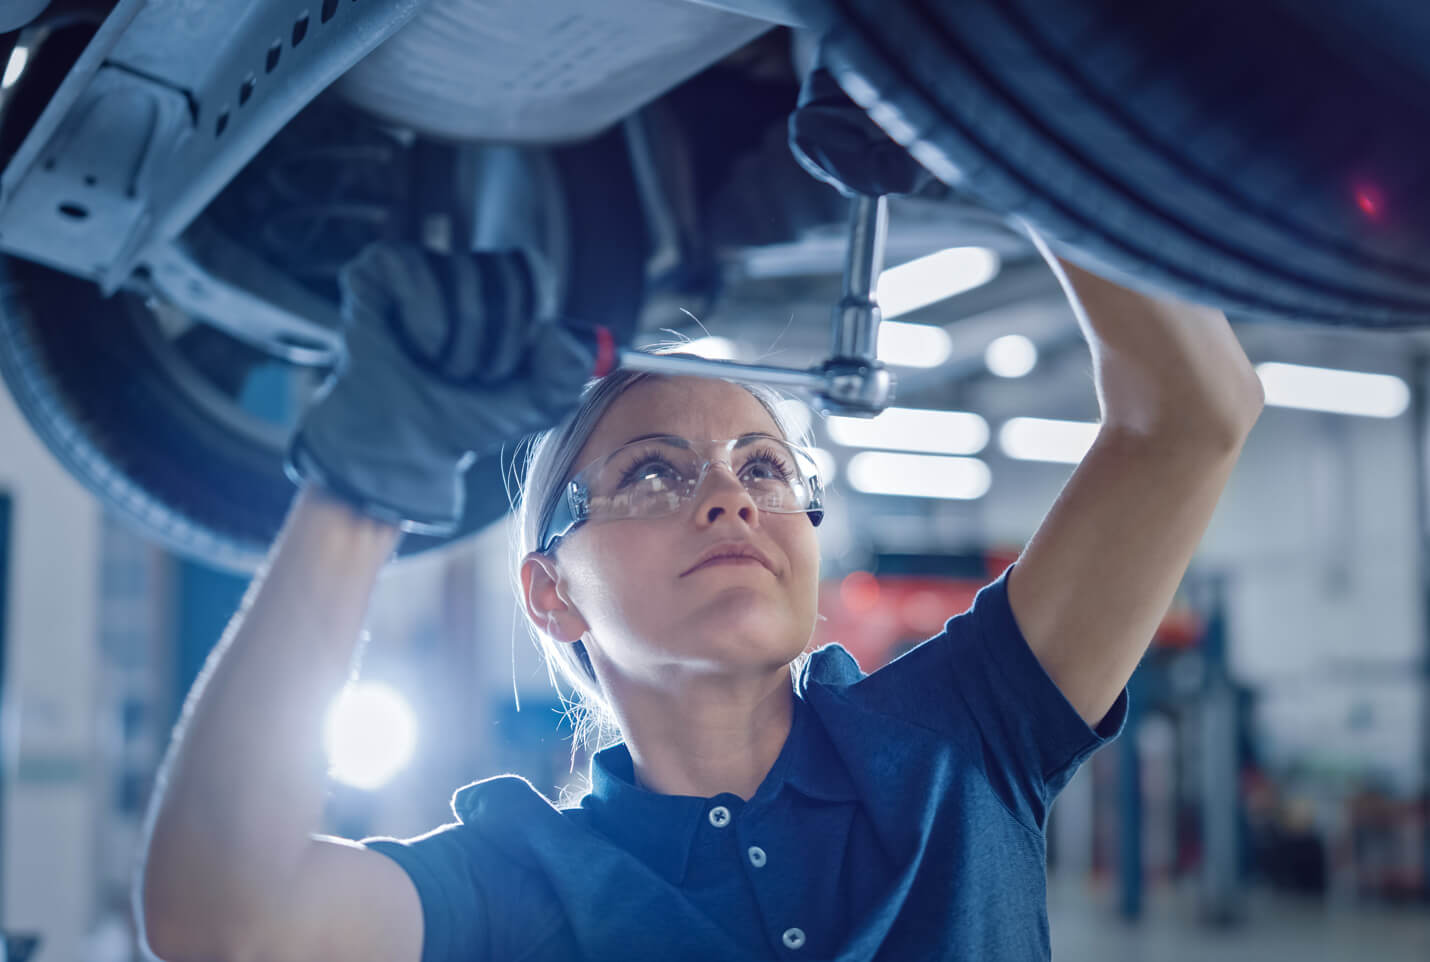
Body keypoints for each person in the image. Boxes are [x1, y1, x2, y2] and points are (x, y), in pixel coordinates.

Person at [136, 231, 1264, 961]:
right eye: (653, 472)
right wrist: (362, 484)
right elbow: (222, 923)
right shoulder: (517, 881)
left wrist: (992, 110)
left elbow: (1194, 411)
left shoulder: (960, 737)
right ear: (550, 593)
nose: (727, 496)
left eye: (761, 466)